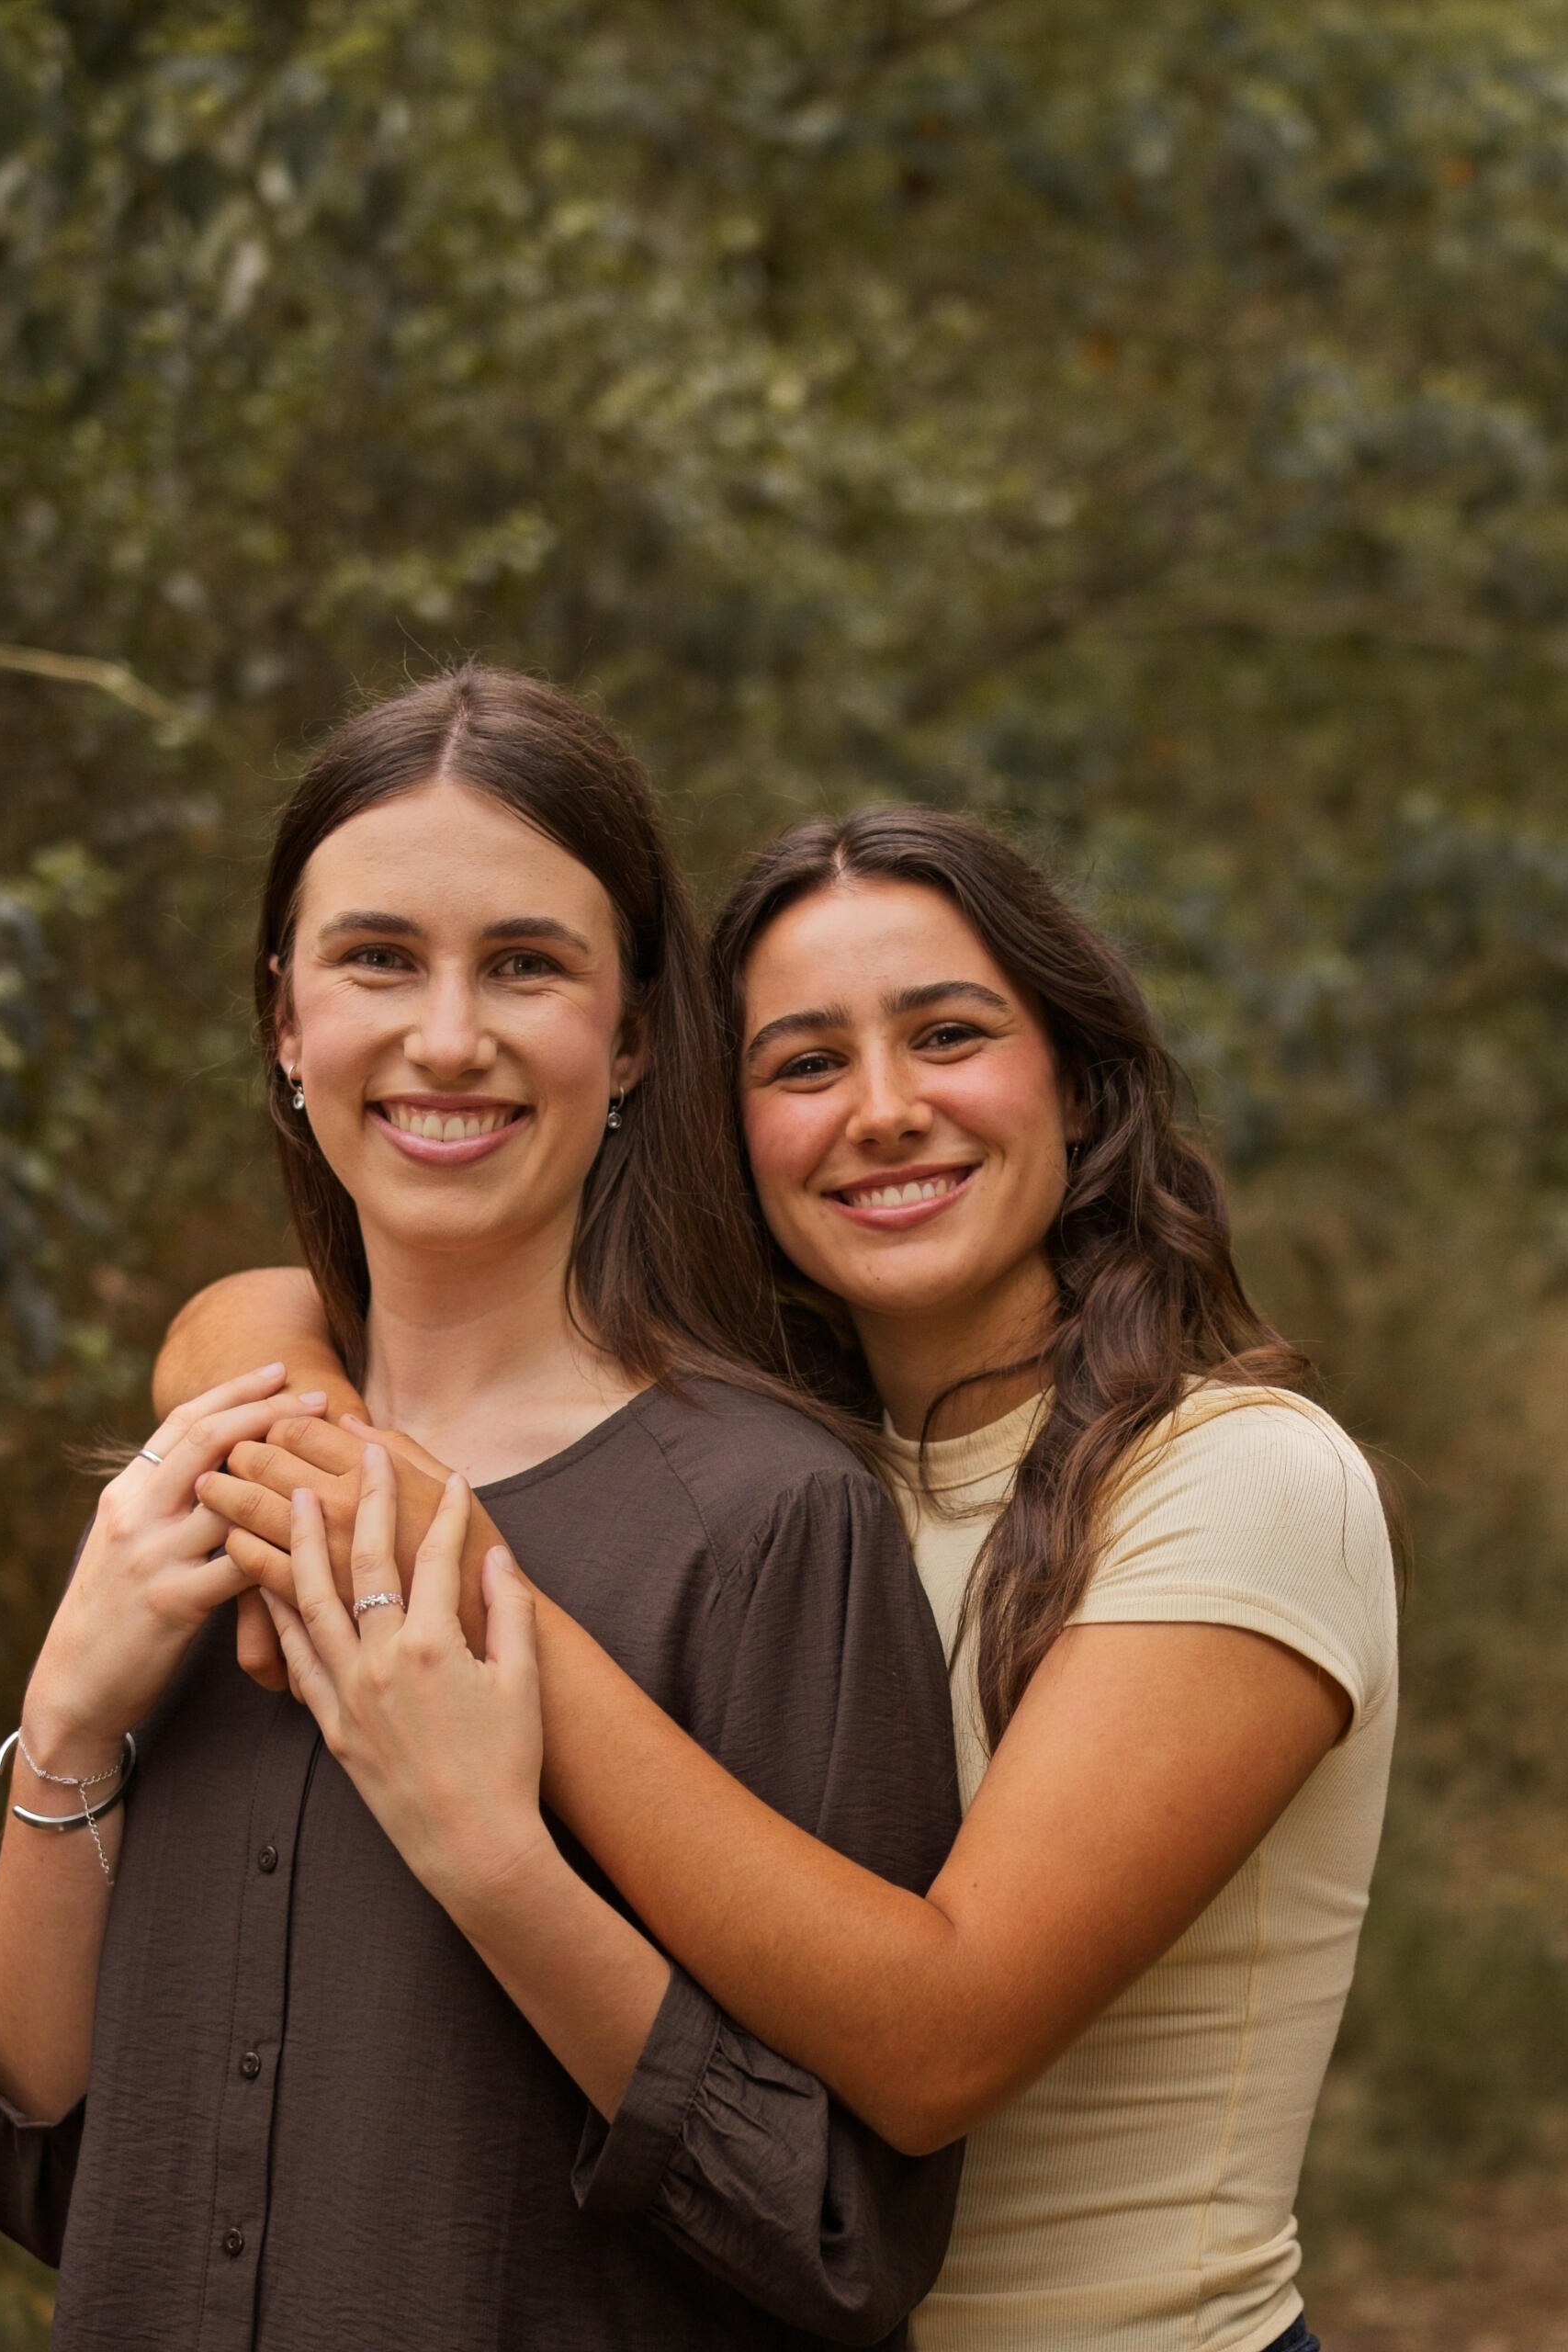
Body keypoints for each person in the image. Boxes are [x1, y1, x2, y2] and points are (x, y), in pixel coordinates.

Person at [177, 806, 1399, 2352]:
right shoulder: (781, 1463)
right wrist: (311, 1450)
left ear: (1080, 1087)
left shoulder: (1237, 1481)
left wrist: (466, 1593)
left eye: (948, 1037)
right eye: (806, 1064)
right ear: (726, 1128)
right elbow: (253, 1305)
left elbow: (941, 2045)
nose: (883, 1112)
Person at [0, 673, 966, 2351]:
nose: (450, 1036)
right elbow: (39, 2145)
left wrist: (488, 1850)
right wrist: (68, 1727)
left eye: (526, 965)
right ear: (284, 1018)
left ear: (631, 1038)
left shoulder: (772, 1527)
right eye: (379, 958)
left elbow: (841, 2234)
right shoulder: (214, 1473)